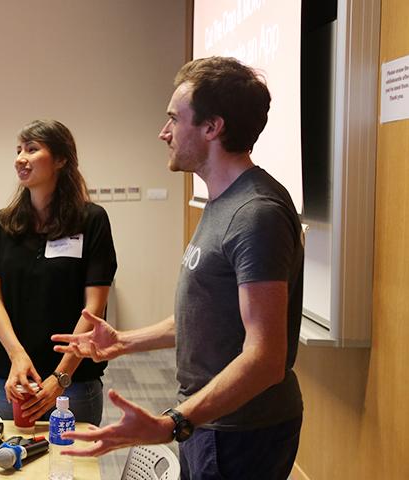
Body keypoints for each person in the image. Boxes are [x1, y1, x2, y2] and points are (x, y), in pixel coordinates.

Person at [52, 57, 304, 479]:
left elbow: (265, 357)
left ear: (212, 127)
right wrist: (122, 342)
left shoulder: (255, 213)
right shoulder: (222, 201)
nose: (163, 132)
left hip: (239, 432)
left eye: (173, 119)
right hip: (210, 422)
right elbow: (209, 313)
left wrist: (175, 421)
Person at [0, 119, 117, 425]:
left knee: (75, 468)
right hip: (12, 377)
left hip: (74, 380)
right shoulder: (2, 224)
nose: (20, 158)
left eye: (32, 149)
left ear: (60, 159)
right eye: (18, 150)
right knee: (12, 463)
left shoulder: (92, 220)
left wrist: (61, 375)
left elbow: (94, 308)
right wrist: (17, 355)